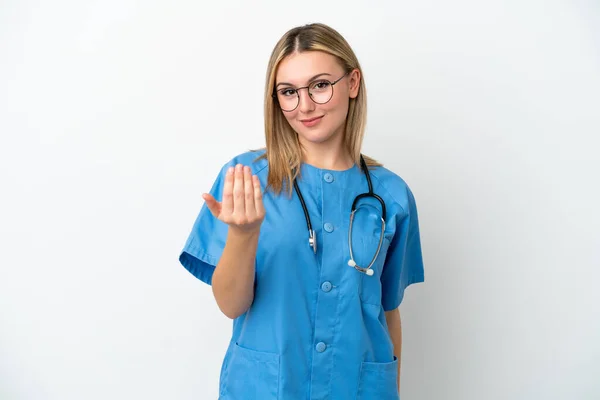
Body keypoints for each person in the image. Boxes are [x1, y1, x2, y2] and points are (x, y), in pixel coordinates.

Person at [179, 22, 425, 400]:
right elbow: (230, 305)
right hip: (267, 389)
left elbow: (388, 312)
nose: (305, 105)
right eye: (289, 92)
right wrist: (244, 235)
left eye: (320, 85)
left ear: (353, 83)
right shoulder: (247, 180)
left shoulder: (391, 195)